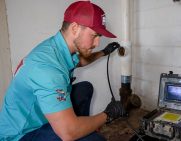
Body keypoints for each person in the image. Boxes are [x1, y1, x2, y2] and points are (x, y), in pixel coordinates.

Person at [0, 1, 126, 141]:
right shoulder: (47, 69)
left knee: (85, 89)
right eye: (94, 35)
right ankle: (79, 130)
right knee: (96, 140)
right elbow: (68, 133)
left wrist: (104, 52)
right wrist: (108, 114)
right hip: (22, 133)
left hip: (41, 114)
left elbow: (81, 61)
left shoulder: (57, 47)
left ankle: (81, 129)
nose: (96, 43)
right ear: (75, 28)